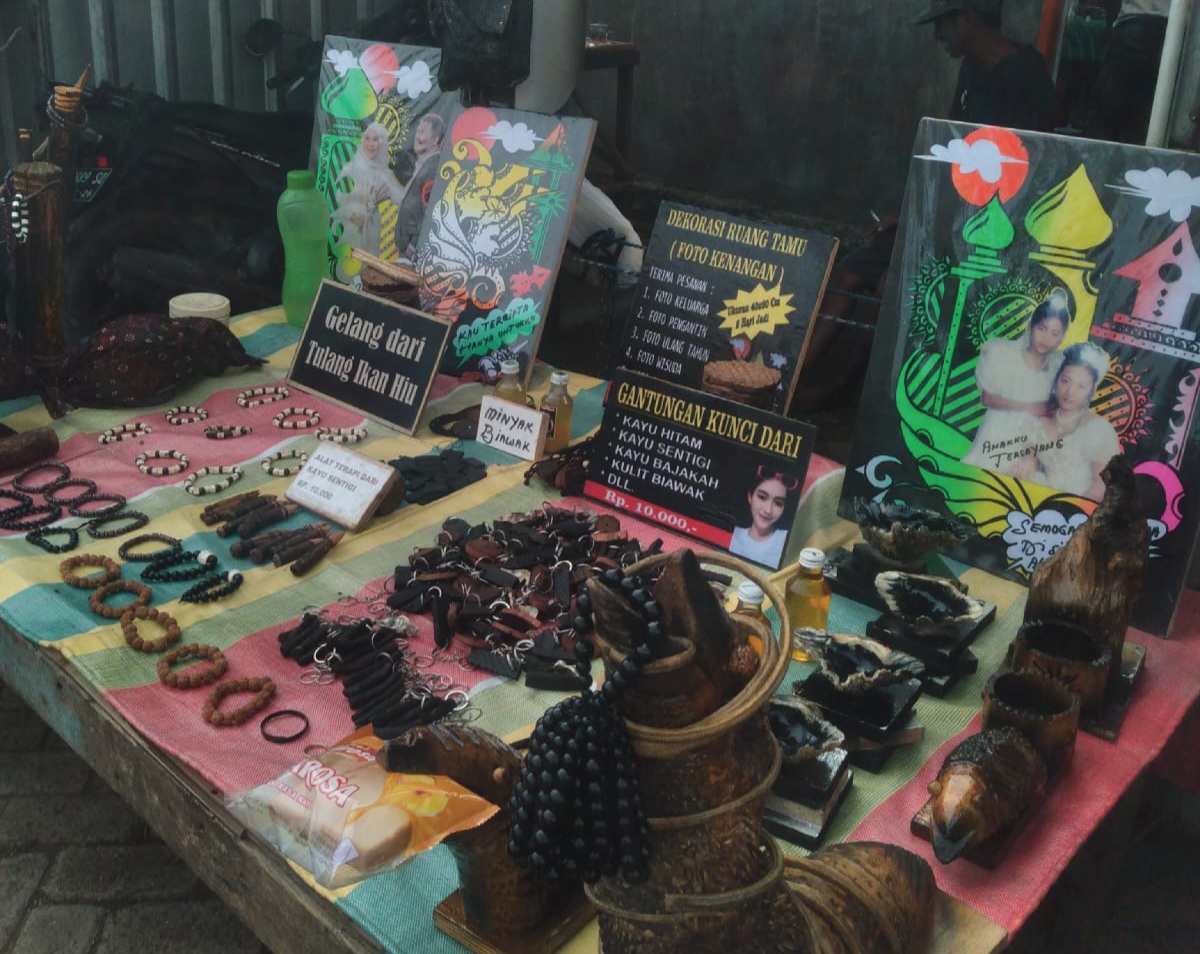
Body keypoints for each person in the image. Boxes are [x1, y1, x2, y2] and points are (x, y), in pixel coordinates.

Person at [792, 0, 1055, 414]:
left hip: (987, 231)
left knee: (891, 287)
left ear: (968, 17)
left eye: (943, 24)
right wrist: (909, 210)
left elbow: (1031, 170)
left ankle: (834, 393)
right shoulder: (971, 69)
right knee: (849, 270)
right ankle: (790, 380)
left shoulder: (1025, 75)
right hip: (941, 217)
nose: (938, 37)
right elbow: (946, 152)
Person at [962, 288, 1071, 469]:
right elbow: (987, 398)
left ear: (1062, 337)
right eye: (1042, 328)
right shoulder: (1005, 354)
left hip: (1030, 440)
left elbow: (1058, 405)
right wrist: (1029, 407)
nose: (1046, 338)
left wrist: (1048, 409)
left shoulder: (1058, 367)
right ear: (1030, 327)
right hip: (997, 432)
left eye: (1055, 334)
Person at [919, 0, 1057, 131]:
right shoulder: (971, 66)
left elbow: (1030, 143)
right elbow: (954, 128)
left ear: (967, 19)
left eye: (940, 24)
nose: (936, 35)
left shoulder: (1028, 74)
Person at [1019, 342, 1120, 502]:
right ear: (1056, 381)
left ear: (1091, 391)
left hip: (1078, 506)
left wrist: (1071, 509)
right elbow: (1029, 456)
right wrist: (1030, 461)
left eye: (1081, 386)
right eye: (1065, 381)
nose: (1070, 392)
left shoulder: (1099, 429)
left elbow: (1101, 486)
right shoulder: (1040, 420)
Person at [1078, 0, 1171, 143]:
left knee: (1107, 115)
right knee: (1147, 117)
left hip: (1134, 23)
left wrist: (1110, 24)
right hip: (1177, 32)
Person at [332, 122, 406, 257]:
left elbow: (403, 200)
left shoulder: (385, 175)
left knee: (369, 262)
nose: (371, 144)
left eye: (375, 139)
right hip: (348, 228)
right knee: (348, 262)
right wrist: (353, 216)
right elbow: (336, 197)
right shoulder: (350, 168)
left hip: (372, 228)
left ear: (381, 144)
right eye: (367, 139)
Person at [393, 114, 446, 261]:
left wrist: (414, 244)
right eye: (417, 131)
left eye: (422, 132)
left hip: (414, 251)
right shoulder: (422, 165)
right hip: (405, 247)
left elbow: (430, 211)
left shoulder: (433, 168)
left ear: (435, 139)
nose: (417, 137)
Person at [728, 468, 799, 568]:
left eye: (778, 503)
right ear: (750, 497)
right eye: (762, 497)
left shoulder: (788, 541)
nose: (768, 510)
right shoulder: (732, 534)